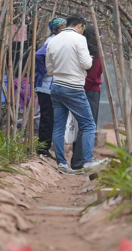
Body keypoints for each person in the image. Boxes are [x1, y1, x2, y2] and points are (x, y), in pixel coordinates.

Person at [46, 14, 108, 174]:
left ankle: (62, 163)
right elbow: (87, 64)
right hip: (73, 87)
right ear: (80, 25)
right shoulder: (79, 40)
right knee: (88, 125)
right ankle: (87, 161)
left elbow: (49, 68)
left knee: (58, 126)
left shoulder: (54, 40)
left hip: (57, 87)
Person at [71, 25, 103, 170]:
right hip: (90, 93)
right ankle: (80, 161)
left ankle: (78, 159)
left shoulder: (81, 53)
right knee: (88, 126)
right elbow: (91, 78)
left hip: (81, 90)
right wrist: (82, 91)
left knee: (82, 127)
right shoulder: (95, 55)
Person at [34, 17, 66, 157]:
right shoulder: (52, 41)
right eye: (63, 28)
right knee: (47, 117)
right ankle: (42, 149)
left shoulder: (55, 40)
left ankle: (45, 147)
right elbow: (38, 55)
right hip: (46, 86)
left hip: (49, 86)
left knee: (49, 117)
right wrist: (46, 72)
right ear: (59, 29)